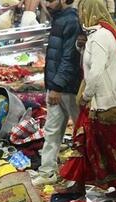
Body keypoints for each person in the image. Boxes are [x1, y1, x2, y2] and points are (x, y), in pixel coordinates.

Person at [60, 0, 116, 195]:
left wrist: (86, 97)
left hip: (104, 103)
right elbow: (92, 62)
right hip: (103, 101)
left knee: (105, 148)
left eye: (81, 11)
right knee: (86, 144)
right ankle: (78, 184)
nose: (79, 15)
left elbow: (95, 73)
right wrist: (81, 49)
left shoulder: (100, 37)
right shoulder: (99, 34)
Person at [32, 0, 82, 186]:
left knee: (82, 132)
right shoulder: (60, 18)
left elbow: (70, 57)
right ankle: (47, 171)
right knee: (52, 131)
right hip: (57, 85)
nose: (46, 4)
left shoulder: (71, 21)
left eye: (51, 0)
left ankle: (89, 172)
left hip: (67, 88)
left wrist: (56, 86)